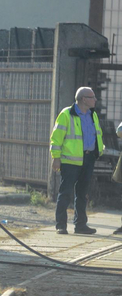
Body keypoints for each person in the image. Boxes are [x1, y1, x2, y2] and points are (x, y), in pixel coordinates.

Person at [50, 87, 103, 235]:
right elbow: (56, 138)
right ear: (84, 99)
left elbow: (97, 134)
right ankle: (61, 225)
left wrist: (98, 151)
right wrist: (56, 157)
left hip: (88, 158)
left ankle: (80, 224)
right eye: (92, 97)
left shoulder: (93, 115)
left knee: (82, 194)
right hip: (70, 161)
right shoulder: (66, 114)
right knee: (65, 192)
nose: (95, 100)